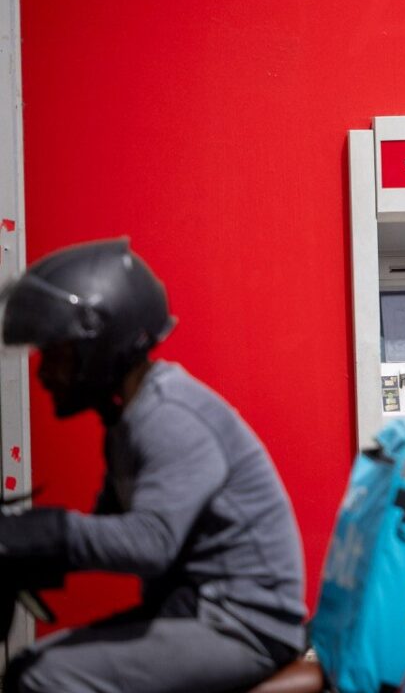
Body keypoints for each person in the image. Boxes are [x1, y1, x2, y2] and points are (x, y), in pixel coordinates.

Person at [0, 238, 306, 693]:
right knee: (28, 665)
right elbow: (108, 531)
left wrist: (42, 533)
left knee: (42, 677)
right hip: (194, 608)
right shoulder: (126, 421)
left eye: (57, 354)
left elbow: (151, 542)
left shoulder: (167, 416)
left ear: (101, 342)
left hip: (243, 624)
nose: (44, 374)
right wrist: (24, 554)